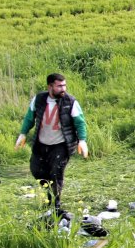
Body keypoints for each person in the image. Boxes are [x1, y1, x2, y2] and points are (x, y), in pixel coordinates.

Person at [15, 73, 89, 217]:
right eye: (59, 86)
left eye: (64, 85)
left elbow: (80, 122)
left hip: (61, 144)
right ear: (50, 86)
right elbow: (29, 117)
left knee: (56, 173)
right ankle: (49, 193)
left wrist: (82, 140)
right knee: (37, 171)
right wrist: (23, 134)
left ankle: (55, 204)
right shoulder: (39, 99)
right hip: (41, 143)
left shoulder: (70, 101)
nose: (63, 89)